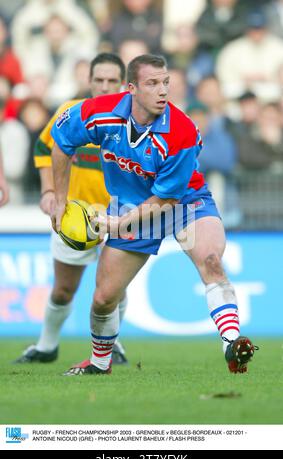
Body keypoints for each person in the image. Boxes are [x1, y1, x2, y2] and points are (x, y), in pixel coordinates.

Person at [51, 54, 258, 376]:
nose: (162, 91)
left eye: (166, 83)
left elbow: (166, 199)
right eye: (152, 84)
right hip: (130, 204)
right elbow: (61, 142)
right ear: (131, 88)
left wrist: (117, 224)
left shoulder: (182, 132)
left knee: (212, 261)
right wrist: (60, 199)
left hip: (184, 202)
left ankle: (231, 343)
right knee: (104, 298)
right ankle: (99, 363)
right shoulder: (98, 112)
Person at [14, 53, 128, 365]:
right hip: (74, 216)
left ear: (123, 84)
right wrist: (49, 190)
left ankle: (113, 345)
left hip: (120, 216)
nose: (104, 87)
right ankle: (47, 346)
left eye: (111, 81)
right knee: (64, 290)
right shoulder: (70, 112)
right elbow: (43, 147)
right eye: (98, 80)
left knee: (114, 287)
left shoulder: (136, 119)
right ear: (89, 81)